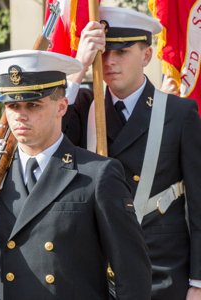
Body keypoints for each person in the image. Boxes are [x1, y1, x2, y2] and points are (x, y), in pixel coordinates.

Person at [0, 50, 151, 300]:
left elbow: (132, 274)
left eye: (33, 104)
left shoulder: (97, 174)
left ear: (62, 106)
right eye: (12, 105)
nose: (21, 115)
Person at [62, 7, 201, 299]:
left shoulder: (178, 112)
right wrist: (79, 66)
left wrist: (198, 284)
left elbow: (199, 205)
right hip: (93, 272)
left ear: (147, 56)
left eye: (122, 52)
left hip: (160, 273)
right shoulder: (83, 107)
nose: (110, 61)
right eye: (103, 52)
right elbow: (49, 136)